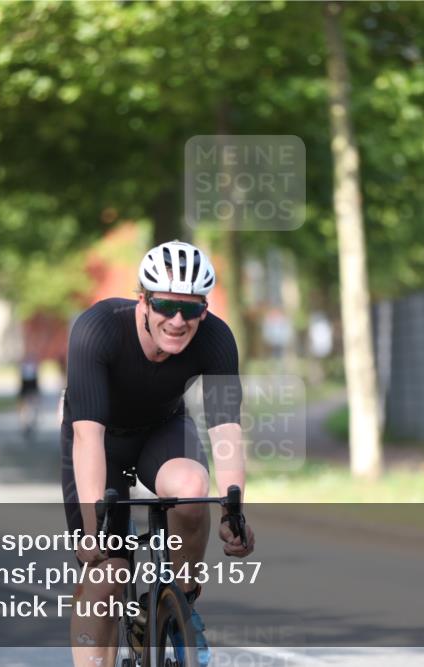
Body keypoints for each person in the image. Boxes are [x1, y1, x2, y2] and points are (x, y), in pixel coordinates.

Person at [62, 240, 255, 667]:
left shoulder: (217, 338)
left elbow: (226, 428)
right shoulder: (97, 330)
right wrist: (93, 529)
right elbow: (87, 437)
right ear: (144, 301)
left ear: (204, 309)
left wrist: (233, 513)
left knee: (191, 488)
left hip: (162, 430)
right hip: (100, 441)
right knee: (107, 576)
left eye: (191, 309)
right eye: (166, 305)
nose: (178, 320)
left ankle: (180, 603)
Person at [18, 358, 40, 440]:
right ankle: (25, 424)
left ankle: (31, 422)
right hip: (26, 385)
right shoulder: (25, 363)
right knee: (25, 406)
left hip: (32, 384)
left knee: (33, 405)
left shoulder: (32, 363)